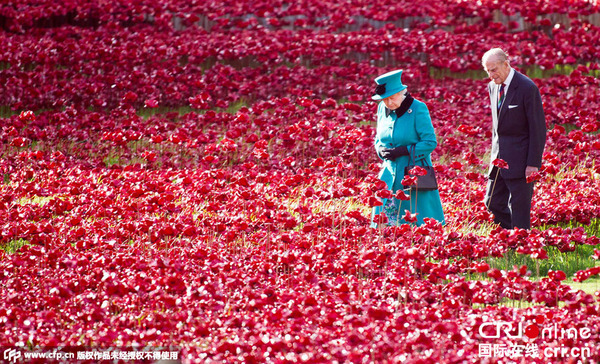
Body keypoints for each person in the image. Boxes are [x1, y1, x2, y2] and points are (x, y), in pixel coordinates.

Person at [481, 48, 546, 230]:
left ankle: (521, 248)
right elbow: (498, 127)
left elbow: (538, 129)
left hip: (521, 160)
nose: (491, 75)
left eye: (494, 70)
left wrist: (533, 164)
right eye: (488, 71)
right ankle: (509, 238)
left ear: (506, 65)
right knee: (492, 202)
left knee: (520, 209)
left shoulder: (527, 87)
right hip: (498, 160)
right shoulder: (492, 86)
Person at [370, 69, 445, 227]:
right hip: (389, 174)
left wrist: (404, 150)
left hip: (413, 173)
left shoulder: (418, 109)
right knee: (385, 221)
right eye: (385, 99)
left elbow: (430, 142)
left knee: (417, 221)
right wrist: (380, 150)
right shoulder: (381, 109)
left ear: (402, 93)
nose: (389, 103)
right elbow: (378, 139)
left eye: (392, 98)